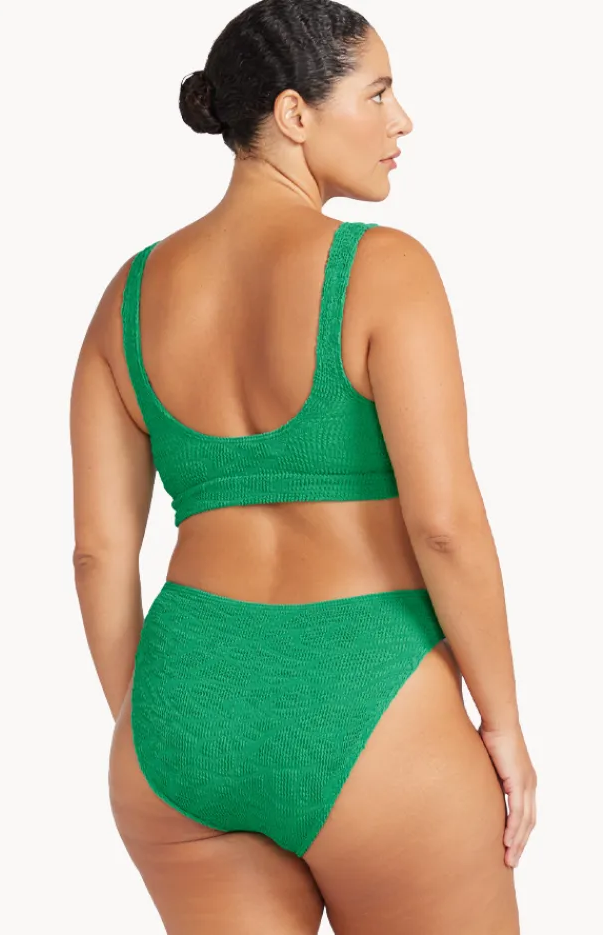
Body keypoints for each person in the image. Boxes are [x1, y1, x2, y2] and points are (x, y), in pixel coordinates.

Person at [70, 1, 537, 931]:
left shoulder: (125, 298)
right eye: (378, 93)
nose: (403, 121)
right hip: (373, 705)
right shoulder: (384, 269)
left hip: (184, 711)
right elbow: (444, 524)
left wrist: (157, 720)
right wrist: (505, 724)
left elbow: (96, 553)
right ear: (294, 113)